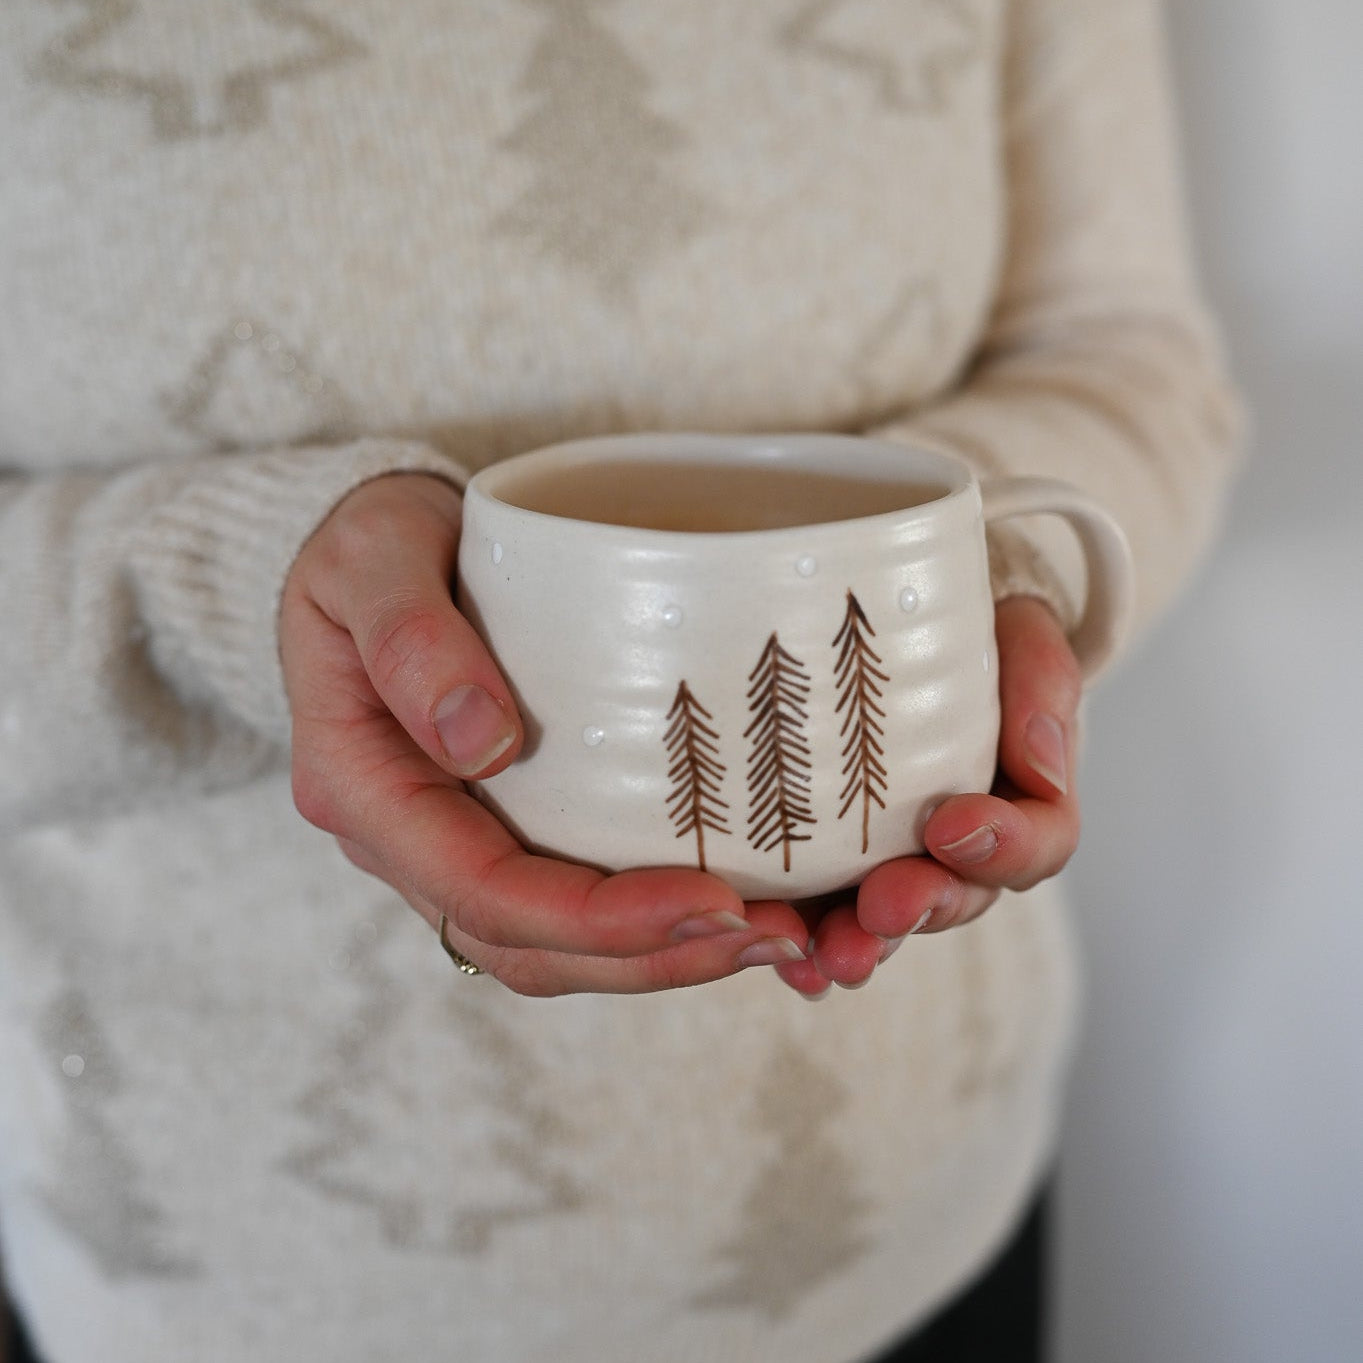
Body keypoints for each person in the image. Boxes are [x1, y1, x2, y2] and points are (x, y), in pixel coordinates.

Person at [0, 1, 1240, 1360]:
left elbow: (1125, 354)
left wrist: (991, 573)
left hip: (911, 1209)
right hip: (213, 1269)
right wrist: (222, 585)